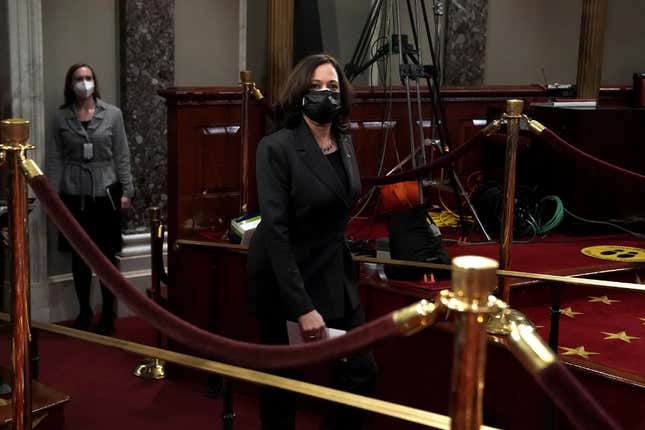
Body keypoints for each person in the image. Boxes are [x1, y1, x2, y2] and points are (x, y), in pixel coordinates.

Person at [246, 54, 377, 430]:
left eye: (333, 87)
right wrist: (301, 306)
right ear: (300, 92)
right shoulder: (276, 147)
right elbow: (276, 231)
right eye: (316, 86)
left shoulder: (344, 140)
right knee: (282, 386)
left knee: (361, 371)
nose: (325, 94)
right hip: (284, 278)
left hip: (333, 271)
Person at [48, 63, 134, 335]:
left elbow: (122, 154)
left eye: (88, 78)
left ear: (94, 82)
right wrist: (52, 195)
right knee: (79, 257)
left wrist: (127, 191)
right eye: (78, 78)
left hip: (105, 192)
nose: (83, 82)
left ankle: (108, 313)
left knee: (106, 257)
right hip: (74, 194)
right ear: (70, 84)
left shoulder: (113, 115)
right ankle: (84, 311)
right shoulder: (61, 118)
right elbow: (55, 159)